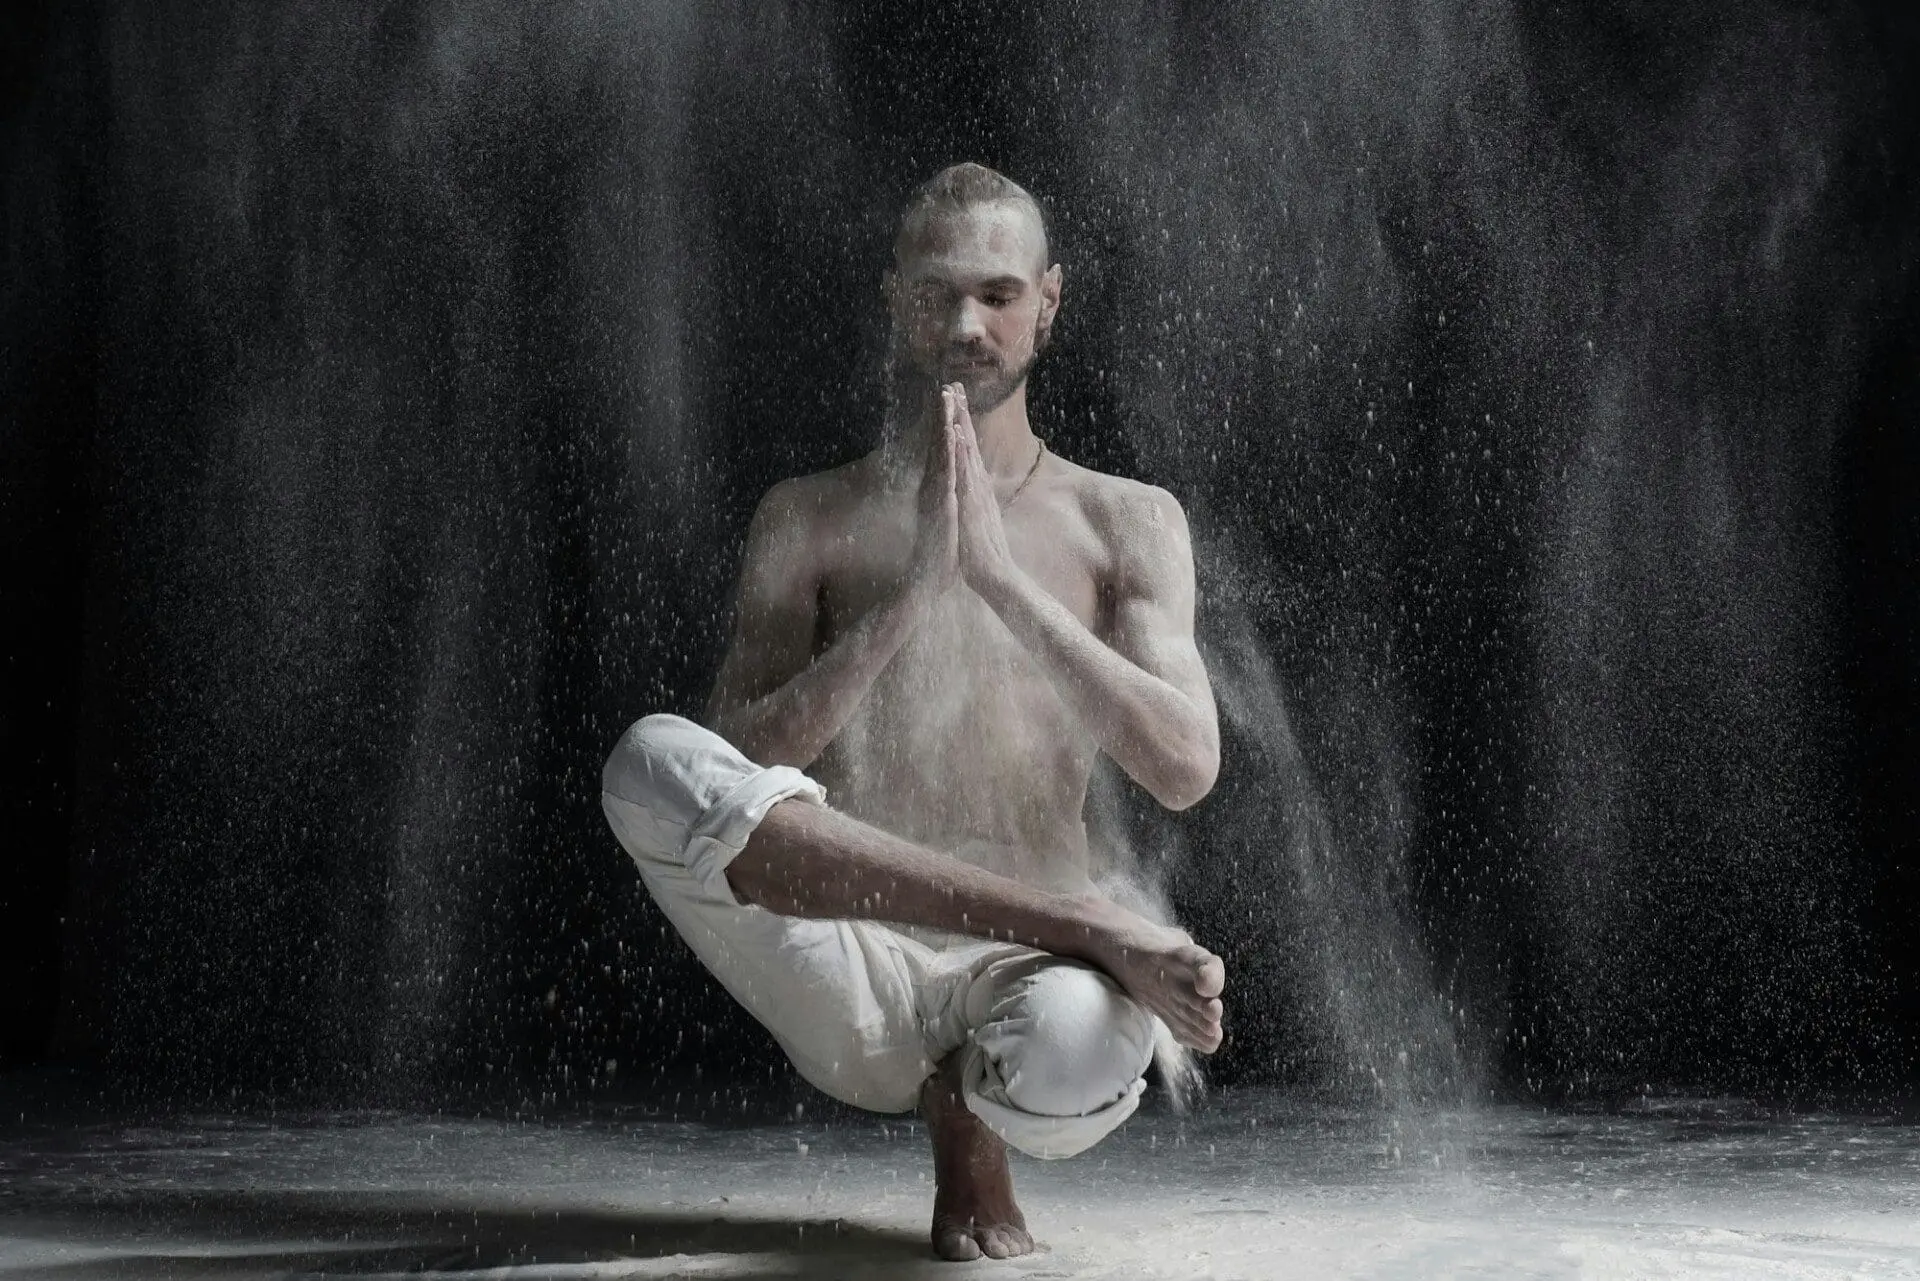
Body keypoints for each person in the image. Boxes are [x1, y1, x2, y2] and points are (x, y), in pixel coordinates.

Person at [600, 162, 1226, 1262]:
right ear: (894, 301)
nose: (968, 324)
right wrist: (909, 601)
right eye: (937, 294)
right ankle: (1083, 942)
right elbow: (731, 772)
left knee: (1083, 1051)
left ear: (1050, 303)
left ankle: (975, 1112)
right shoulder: (807, 517)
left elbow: (1184, 764)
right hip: (851, 972)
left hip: (1034, 993)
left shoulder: (1127, 521)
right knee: (647, 762)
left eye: (997, 292)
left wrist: (1002, 584)